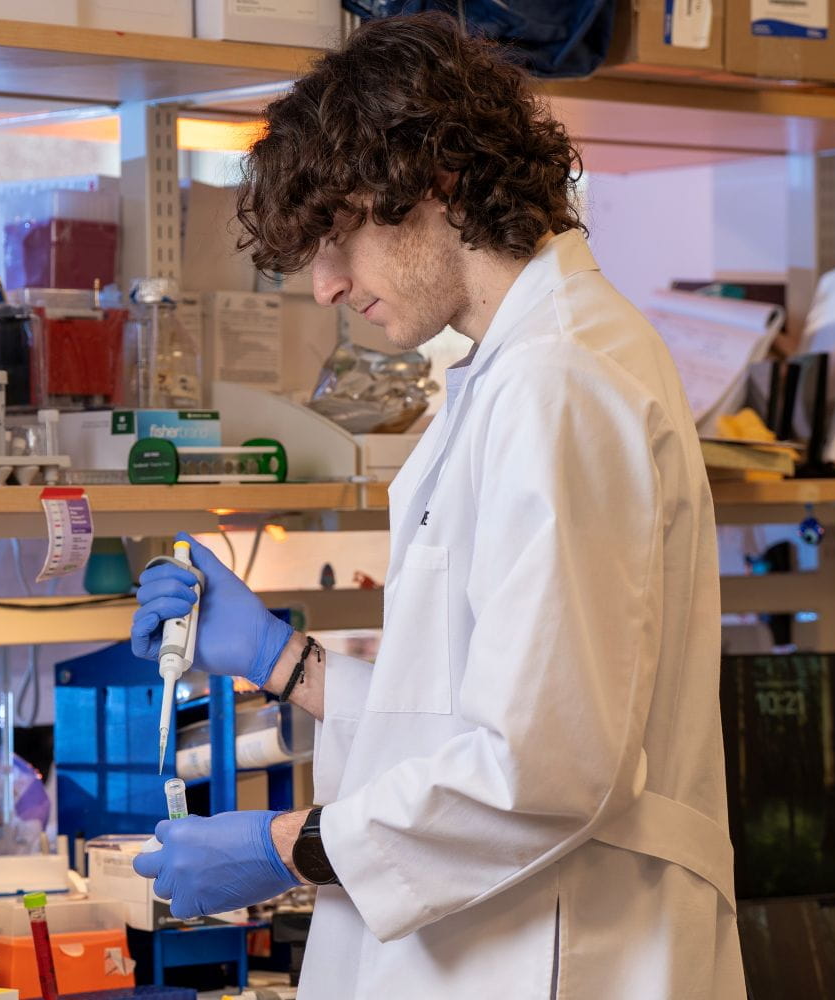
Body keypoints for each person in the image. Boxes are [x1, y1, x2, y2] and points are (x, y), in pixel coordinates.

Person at [129, 13, 745, 999]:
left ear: (439, 179)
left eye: (337, 235)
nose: (325, 284)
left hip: (565, 947)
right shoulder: (514, 370)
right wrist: (289, 665)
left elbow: (544, 770)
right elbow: (491, 714)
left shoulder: (561, 381)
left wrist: (284, 846)